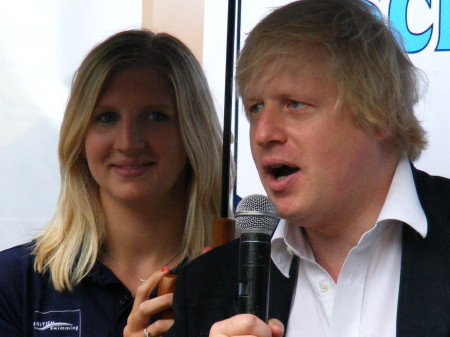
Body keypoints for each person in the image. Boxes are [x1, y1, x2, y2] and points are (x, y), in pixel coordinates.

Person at [166, 0, 450, 336]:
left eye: (294, 104)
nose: (262, 133)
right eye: (255, 108)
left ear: (379, 112)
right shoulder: (206, 287)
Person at [0, 29, 226, 337]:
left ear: (193, 133)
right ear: (79, 137)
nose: (128, 142)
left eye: (155, 116)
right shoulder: (15, 282)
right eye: (106, 117)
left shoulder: (247, 275)